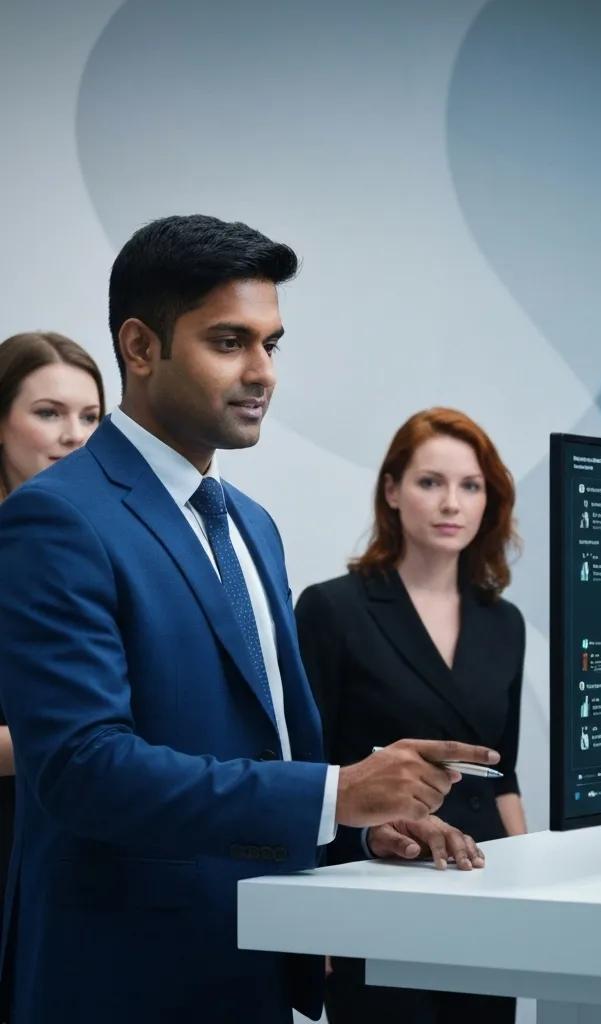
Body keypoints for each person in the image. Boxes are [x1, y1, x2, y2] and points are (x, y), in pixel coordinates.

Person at [0, 215, 497, 1024]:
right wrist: (334, 793)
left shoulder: (250, 524)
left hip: (256, 961)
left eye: (272, 344)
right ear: (140, 347)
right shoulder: (57, 517)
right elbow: (82, 769)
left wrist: (360, 827)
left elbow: (268, 748)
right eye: (230, 342)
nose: (262, 372)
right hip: (124, 977)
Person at [296, 406, 526, 1024]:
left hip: (483, 882)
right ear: (392, 491)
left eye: (470, 486)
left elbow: (504, 777)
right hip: (376, 883)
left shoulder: (504, 622)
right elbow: (307, 769)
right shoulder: (332, 609)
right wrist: (313, 913)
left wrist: (532, 891)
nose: (452, 503)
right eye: (431, 482)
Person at [0, 330, 105, 967]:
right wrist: (82, 742)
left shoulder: (95, 552)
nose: (76, 436)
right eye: (49, 413)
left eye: (91, 417)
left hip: (82, 853)